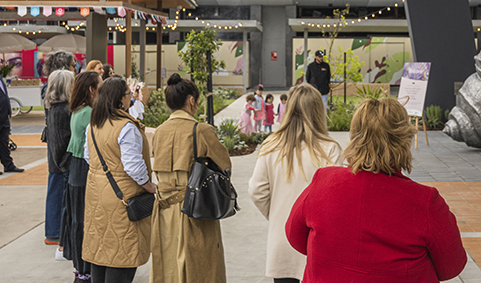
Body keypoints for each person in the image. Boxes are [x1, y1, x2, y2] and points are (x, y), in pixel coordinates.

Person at [286, 97, 466, 283]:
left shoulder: (323, 182)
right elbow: (451, 266)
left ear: (355, 136)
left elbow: (295, 236)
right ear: (404, 139)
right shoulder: (425, 202)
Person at [249, 83, 342, 283]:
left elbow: (256, 191)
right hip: (317, 244)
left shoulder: (270, 145)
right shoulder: (330, 149)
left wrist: (277, 214)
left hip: (282, 241)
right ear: (319, 111)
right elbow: (337, 199)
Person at [150, 73, 232, 283]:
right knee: (200, 268)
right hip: (195, 207)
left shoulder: (159, 131)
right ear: (191, 101)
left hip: (163, 209)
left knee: (167, 267)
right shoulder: (201, 130)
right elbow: (225, 166)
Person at [83, 76, 155, 283]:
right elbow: (133, 165)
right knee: (123, 255)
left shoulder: (94, 125)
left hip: (97, 194)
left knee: (101, 252)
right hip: (123, 196)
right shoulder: (126, 127)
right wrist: (148, 185)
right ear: (119, 99)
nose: (129, 98)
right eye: (127, 94)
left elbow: (89, 157)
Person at [61, 70, 101, 280]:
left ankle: (81, 268)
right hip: (83, 168)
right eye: (100, 86)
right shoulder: (87, 113)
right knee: (83, 221)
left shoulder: (78, 109)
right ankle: (84, 270)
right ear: (91, 90)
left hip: (76, 168)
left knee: (78, 220)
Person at [45, 69, 74, 250]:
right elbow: (64, 141)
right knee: (58, 197)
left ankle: (54, 232)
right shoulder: (63, 110)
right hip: (62, 164)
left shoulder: (55, 107)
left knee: (56, 195)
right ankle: (55, 233)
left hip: (58, 162)